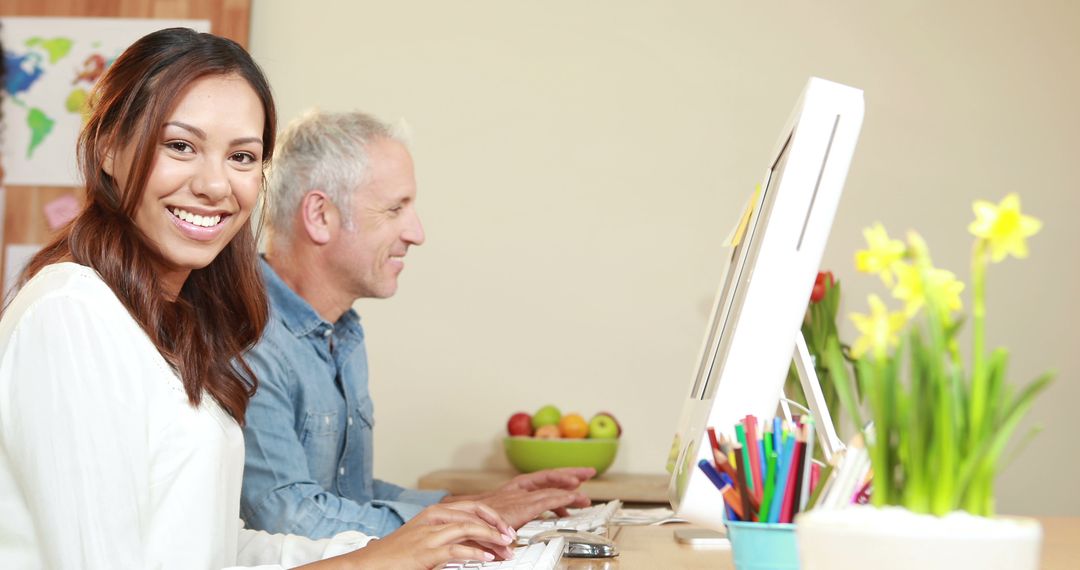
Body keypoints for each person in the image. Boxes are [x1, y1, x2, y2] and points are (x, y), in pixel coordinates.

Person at [0, 28, 517, 569]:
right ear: (109, 148)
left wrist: (396, 548)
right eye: (180, 146)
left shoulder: (174, 325)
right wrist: (376, 563)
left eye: (242, 157)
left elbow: (214, 548)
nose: (216, 185)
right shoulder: (70, 314)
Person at [240, 110, 594, 540]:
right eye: (395, 209)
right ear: (320, 215)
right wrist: (465, 519)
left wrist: (469, 505)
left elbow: (346, 493)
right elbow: (289, 518)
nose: (417, 232)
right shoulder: (250, 339)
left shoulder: (342, 334)